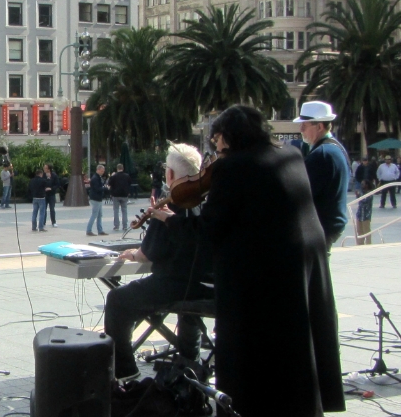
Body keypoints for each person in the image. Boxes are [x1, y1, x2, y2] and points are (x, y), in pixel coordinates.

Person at [151, 105, 345, 417]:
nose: (217, 150)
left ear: (228, 137)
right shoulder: (291, 154)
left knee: (257, 349)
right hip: (306, 260)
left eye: (217, 142)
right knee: (297, 340)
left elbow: (210, 229)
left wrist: (168, 219)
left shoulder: (234, 167)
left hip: (265, 272)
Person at [105, 143, 213, 381]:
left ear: (170, 174)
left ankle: (125, 372)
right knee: (189, 311)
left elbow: (148, 254)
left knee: (118, 300)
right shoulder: (206, 200)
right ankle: (189, 360)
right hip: (207, 286)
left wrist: (135, 253)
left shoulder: (171, 203)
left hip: (176, 285)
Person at [293, 100, 350, 251]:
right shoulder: (335, 148)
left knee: (314, 273)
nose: (301, 129)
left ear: (319, 126)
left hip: (321, 227)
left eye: (304, 125)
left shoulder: (322, 154)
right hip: (330, 224)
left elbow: (302, 192)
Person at [107, 163, 131, 230]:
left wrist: (111, 176)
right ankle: (125, 226)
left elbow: (109, 184)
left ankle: (116, 226)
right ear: (123, 168)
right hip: (124, 195)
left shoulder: (114, 176)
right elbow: (129, 184)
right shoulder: (127, 176)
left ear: (117, 169)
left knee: (116, 211)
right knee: (124, 210)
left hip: (115, 195)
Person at [86, 165, 107, 236]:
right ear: (98, 170)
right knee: (95, 214)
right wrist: (105, 188)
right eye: (102, 171)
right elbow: (97, 189)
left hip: (98, 198)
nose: (103, 172)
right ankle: (89, 230)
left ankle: (100, 230)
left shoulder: (97, 177)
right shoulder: (95, 178)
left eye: (103, 171)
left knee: (99, 214)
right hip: (96, 198)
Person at [356, 179, 374, 245]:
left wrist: (358, 196)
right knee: (359, 232)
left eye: (363, 184)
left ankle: (368, 244)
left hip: (366, 216)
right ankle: (360, 245)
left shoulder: (370, 193)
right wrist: (358, 195)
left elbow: (364, 201)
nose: (361, 186)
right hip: (359, 215)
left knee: (367, 232)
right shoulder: (361, 192)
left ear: (367, 185)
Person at [43, 163, 60, 228]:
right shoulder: (43, 175)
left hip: (51, 194)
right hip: (44, 194)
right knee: (44, 209)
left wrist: (51, 188)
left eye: (46, 168)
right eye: (44, 168)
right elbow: (41, 183)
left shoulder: (54, 175)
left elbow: (57, 184)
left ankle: (54, 222)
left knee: (52, 208)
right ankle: (43, 222)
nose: (44, 169)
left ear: (49, 169)